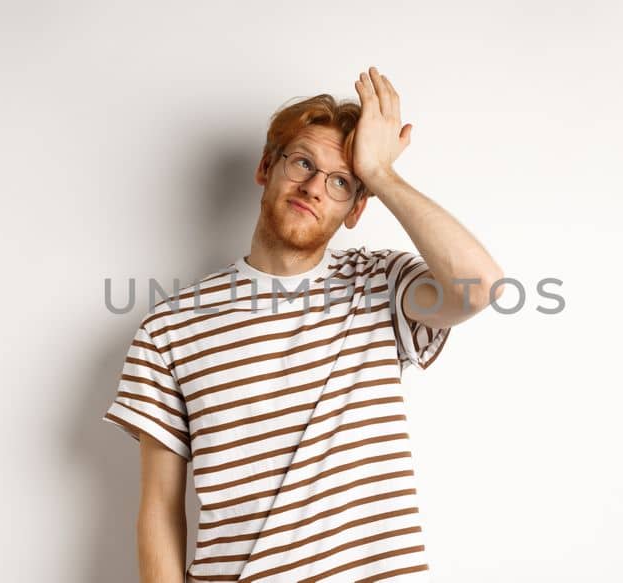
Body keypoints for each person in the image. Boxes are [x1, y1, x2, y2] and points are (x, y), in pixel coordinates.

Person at [102, 66, 503, 582]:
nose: (315, 187)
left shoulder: (379, 285)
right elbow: (159, 512)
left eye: (340, 182)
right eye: (303, 163)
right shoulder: (169, 328)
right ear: (266, 168)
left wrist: (382, 174)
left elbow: (480, 286)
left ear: (356, 209)